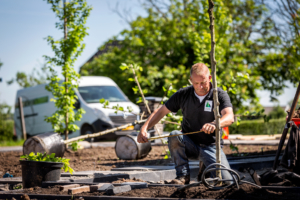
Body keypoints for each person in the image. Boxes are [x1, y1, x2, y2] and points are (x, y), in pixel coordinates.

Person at [137, 63, 235, 184]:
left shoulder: (218, 94)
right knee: (174, 135)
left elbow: (229, 117)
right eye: (196, 83)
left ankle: (205, 167)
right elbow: (161, 111)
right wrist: (144, 128)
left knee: (227, 182)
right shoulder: (183, 94)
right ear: (191, 81)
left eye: (203, 82)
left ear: (209, 78)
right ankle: (183, 176)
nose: (200, 87)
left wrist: (215, 123)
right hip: (190, 145)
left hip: (211, 146)